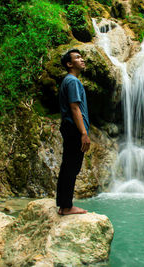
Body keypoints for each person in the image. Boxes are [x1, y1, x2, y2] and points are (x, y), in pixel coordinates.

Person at [56, 49, 90, 215]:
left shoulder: (68, 81)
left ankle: (63, 205)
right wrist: (83, 133)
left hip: (69, 127)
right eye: (77, 58)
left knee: (68, 166)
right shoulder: (72, 81)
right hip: (74, 129)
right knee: (71, 167)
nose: (82, 59)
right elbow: (75, 107)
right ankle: (67, 206)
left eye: (81, 57)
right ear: (69, 64)